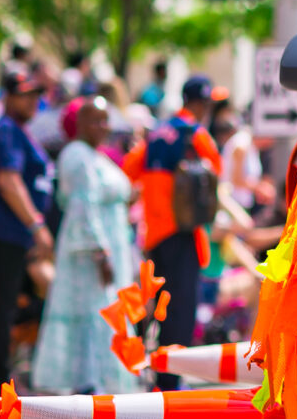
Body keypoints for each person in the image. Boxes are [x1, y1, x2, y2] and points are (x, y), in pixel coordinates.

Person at [32, 98, 139, 394]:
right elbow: (83, 205)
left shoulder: (96, 155)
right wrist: (100, 251)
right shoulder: (76, 155)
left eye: (106, 120)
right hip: (90, 252)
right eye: (96, 120)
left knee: (104, 311)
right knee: (94, 312)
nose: (103, 127)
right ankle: (88, 381)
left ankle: (104, 381)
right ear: (79, 124)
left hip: (110, 243)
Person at [124, 75, 222, 391]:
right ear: (203, 104)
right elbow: (216, 170)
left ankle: (142, 370)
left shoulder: (156, 134)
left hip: (153, 236)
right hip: (183, 233)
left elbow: (129, 169)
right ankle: (168, 381)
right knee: (179, 313)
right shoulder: (196, 134)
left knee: (153, 308)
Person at [0, 69, 53, 399]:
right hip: (1, 230)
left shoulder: (18, 131)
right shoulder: (5, 131)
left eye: (36, 95)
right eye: (25, 94)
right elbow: (8, 181)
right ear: (9, 96)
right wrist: (36, 224)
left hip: (9, 232)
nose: (32, 101)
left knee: (0, 307)